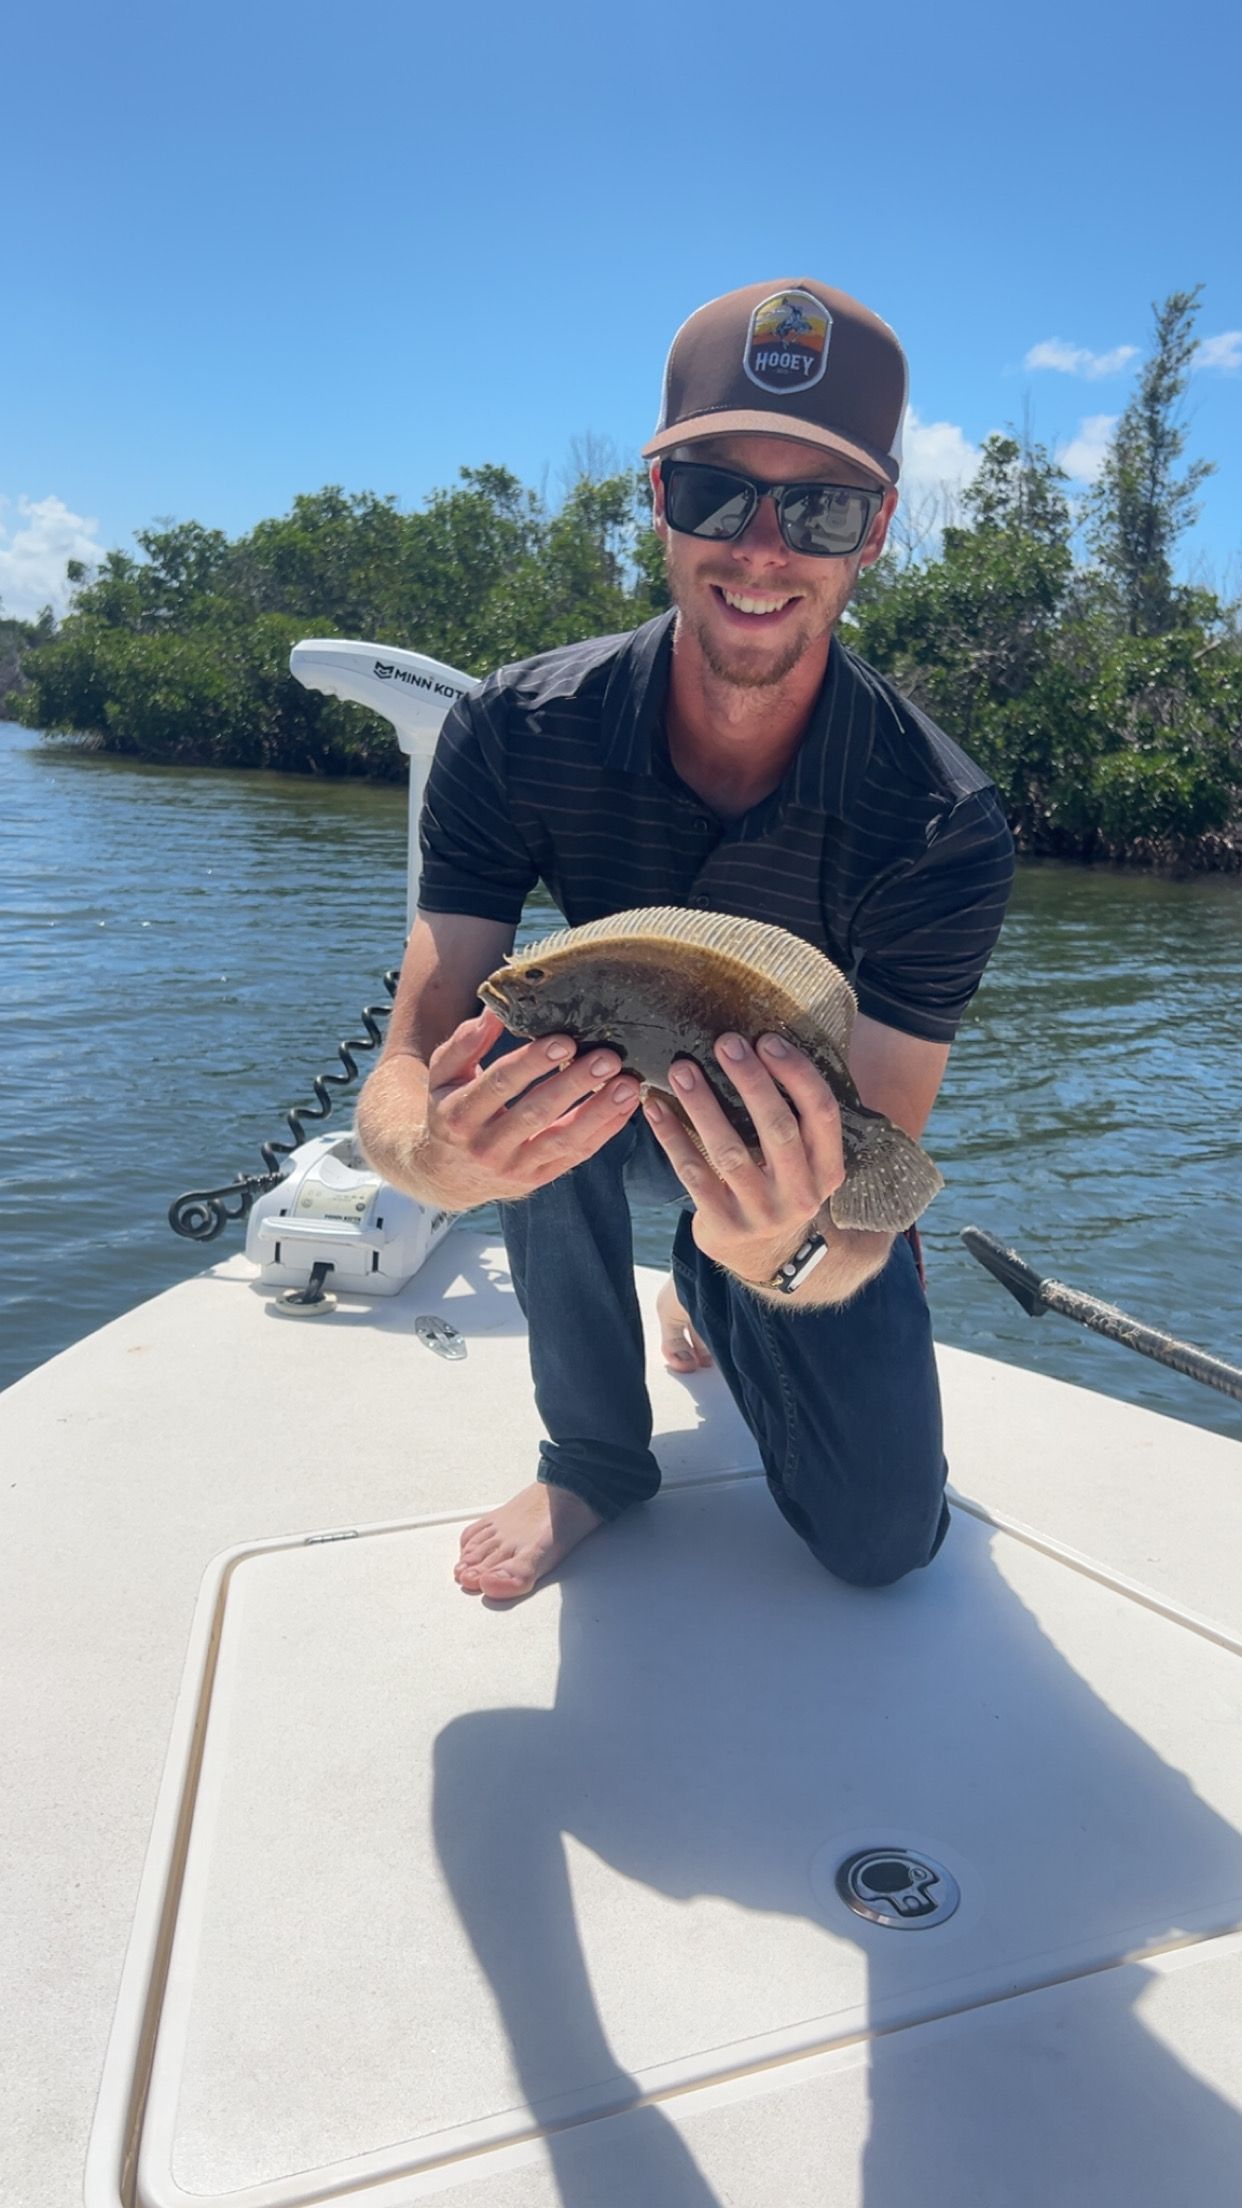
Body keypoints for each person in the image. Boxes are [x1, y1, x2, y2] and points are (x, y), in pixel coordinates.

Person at [356, 278, 1015, 1603]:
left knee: (883, 1546)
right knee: (513, 1068)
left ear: (875, 531)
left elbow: (865, 1197)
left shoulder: (940, 821)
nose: (761, 550)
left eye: (818, 509)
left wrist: (760, 1244)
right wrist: (429, 1152)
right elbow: (410, 1059)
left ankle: (702, 1286)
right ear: (657, 500)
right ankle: (592, 1457)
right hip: (599, 1120)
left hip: (790, 1171)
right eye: (717, 492)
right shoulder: (516, 728)